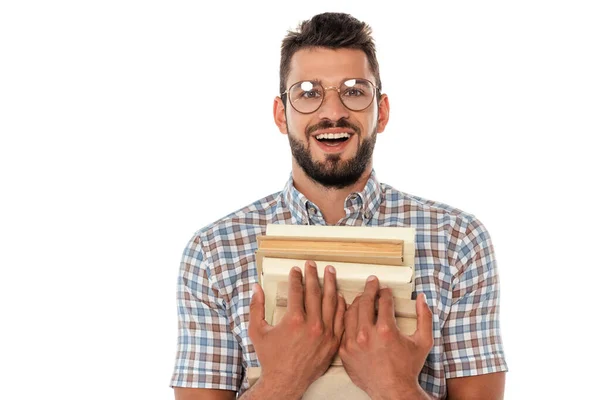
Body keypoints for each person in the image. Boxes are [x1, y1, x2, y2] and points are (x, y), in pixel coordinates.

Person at [170, 12, 508, 400]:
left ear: (381, 111)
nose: (332, 112)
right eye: (309, 92)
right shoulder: (213, 252)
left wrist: (391, 384)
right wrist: (286, 378)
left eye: (353, 90)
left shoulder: (458, 240)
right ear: (282, 115)